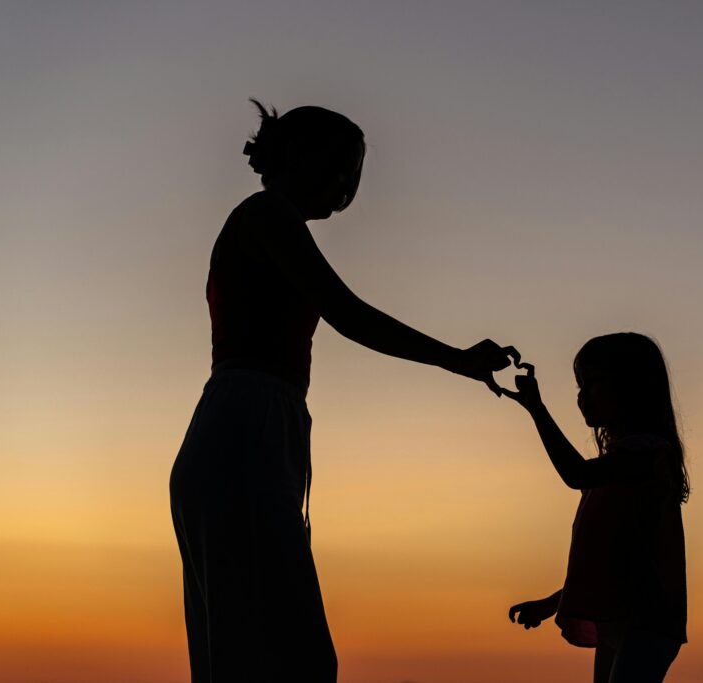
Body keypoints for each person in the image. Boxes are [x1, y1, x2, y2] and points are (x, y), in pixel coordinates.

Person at [169, 100, 518, 682]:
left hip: (252, 429)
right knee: (287, 655)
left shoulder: (273, 221)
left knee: (255, 651)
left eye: (353, 173)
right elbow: (347, 313)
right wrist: (456, 360)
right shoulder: (267, 217)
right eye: (339, 166)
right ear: (299, 156)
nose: (345, 184)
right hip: (246, 428)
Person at [504, 333, 689, 683]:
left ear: (629, 387)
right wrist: (552, 602)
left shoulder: (647, 456)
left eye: (591, 384)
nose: (581, 397)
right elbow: (610, 559)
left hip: (647, 622)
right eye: (580, 386)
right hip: (617, 620)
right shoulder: (621, 464)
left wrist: (537, 410)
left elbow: (575, 474)